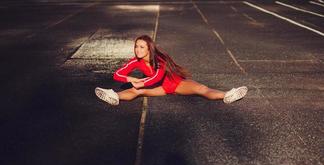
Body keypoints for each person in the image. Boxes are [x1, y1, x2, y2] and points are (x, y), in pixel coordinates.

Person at [95, 35, 247, 106]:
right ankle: (114, 96)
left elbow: (156, 76)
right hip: (160, 88)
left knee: (201, 88)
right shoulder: (135, 61)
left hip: (176, 84)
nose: (137, 49)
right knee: (137, 91)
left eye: (141, 47)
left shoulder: (160, 59)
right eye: (136, 46)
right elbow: (117, 74)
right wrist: (132, 80)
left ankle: (227, 95)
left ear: (149, 48)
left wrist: (141, 83)